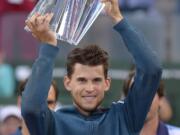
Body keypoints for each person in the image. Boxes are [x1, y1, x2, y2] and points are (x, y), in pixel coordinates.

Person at [21, 0, 162, 134]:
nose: (90, 88)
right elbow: (30, 108)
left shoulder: (125, 117)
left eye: (96, 80)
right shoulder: (52, 124)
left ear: (107, 83)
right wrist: (48, 46)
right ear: (67, 82)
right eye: (82, 80)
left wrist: (118, 18)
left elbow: (151, 69)